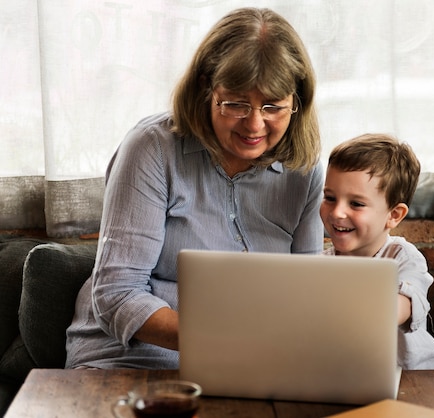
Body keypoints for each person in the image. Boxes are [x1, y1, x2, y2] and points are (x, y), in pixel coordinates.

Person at [65, 7, 323, 369]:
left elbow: (306, 290)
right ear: (206, 88)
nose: (254, 124)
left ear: (297, 101)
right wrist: (225, 342)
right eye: (235, 104)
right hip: (136, 356)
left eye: (272, 106)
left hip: (251, 363)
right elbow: (116, 294)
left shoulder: (305, 170)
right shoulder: (152, 148)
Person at [319, 133, 434, 370]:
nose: (337, 212)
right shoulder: (319, 264)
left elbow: (405, 305)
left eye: (356, 204)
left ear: (393, 215)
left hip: (418, 377)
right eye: (330, 197)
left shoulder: (402, 257)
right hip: (354, 374)